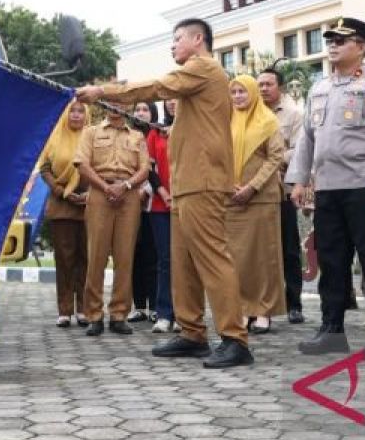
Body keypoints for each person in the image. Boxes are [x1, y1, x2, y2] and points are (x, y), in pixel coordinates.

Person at [75, 18, 253, 369]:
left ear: (198, 39)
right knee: (181, 261)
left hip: (202, 180)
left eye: (177, 39)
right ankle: (192, 333)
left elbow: (156, 87)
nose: (172, 46)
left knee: (212, 259)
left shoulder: (203, 68)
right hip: (187, 181)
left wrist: (102, 92)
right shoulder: (197, 79)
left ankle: (235, 338)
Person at [286, 17, 365, 361]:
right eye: (330, 39)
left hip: (364, 186)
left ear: (362, 46)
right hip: (328, 189)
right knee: (332, 261)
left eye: (342, 39)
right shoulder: (318, 88)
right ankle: (332, 330)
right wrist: (299, 178)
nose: (333, 44)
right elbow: (307, 137)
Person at [74, 105, 150, 336]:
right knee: (96, 256)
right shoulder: (91, 132)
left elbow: (145, 168)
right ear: (102, 105)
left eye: (119, 103)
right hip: (99, 193)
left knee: (124, 257)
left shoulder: (137, 136)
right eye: (109, 102)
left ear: (128, 107)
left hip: (128, 196)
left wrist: (125, 186)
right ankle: (94, 315)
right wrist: (106, 187)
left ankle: (119, 314)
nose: (114, 108)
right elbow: (82, 165)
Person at [227, 75, 287, 334]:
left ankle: (262, 311)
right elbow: (216, 156)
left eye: (243, 91)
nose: (238, 96)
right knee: (235, 258)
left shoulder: (268, 120)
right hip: (231, 198)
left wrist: (252, 186)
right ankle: (240, 309)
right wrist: (229, 185)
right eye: (234, 92)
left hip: (261, 197)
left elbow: (275, 157)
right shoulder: (224, 121)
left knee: (263, 257)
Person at [257, 67, 306, 324]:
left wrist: (267, 163)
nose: (263, 88)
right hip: (256, 193)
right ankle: (262, 305)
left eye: (268, 84)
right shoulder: (250, 113)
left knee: (288, 247)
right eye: (260, 84)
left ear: (281, 87)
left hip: (283, 189)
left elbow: (299, 150)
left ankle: (294, 302)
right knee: (260, 251)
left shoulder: (294, 114)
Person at [39, 99, 90, 328]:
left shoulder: (93, 137)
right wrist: (62, 192)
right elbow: (45, 168)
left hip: (89, 204)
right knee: (65, 259)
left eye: (81, 111)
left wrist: (89, 193)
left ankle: (85, 309)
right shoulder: (55, 137)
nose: (76, 115)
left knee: (86, 259)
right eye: (73, 111)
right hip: (61, 205)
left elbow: (100, 167)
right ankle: (65, 310)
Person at [145, 99, 178, 333]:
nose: (173, 103)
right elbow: (149, 168)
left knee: (187, 260)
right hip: (160, 204)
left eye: (177, 98)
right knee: (165, 260)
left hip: (188, 201)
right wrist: (163, 192)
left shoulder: (194, 127)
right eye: (169, 100)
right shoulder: (156, 132)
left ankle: (186, 315)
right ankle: (164, 313)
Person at [128, 101, 159, 323]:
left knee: (153, 255)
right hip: (128, 202)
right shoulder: (127, 136)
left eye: (145, 109)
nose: (140, 113)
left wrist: (146, 190)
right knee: (134, 255)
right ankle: (138, 305)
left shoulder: (158, 135)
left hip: (153, 204)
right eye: (137, 109)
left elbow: (157, 170)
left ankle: (156, 305)